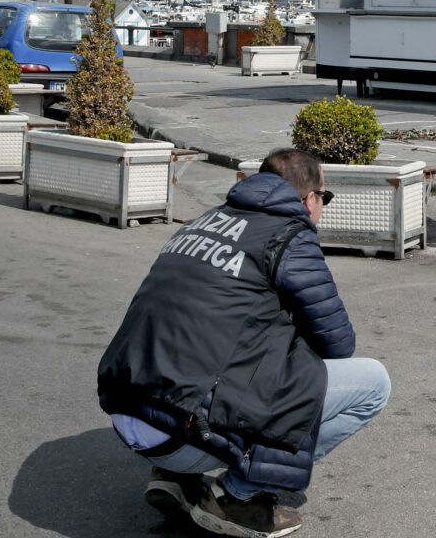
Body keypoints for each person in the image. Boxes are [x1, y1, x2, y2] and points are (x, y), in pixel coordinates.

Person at [98, 148, 390, 536]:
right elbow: (337, 344)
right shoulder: (290, 233)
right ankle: (238, 495)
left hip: (127, 409)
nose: (323, 206)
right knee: (374, 383)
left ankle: (174, 478)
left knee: (212, 347)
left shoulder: (203, 222)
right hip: (180, 428)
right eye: (325, 197)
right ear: (308, 198)